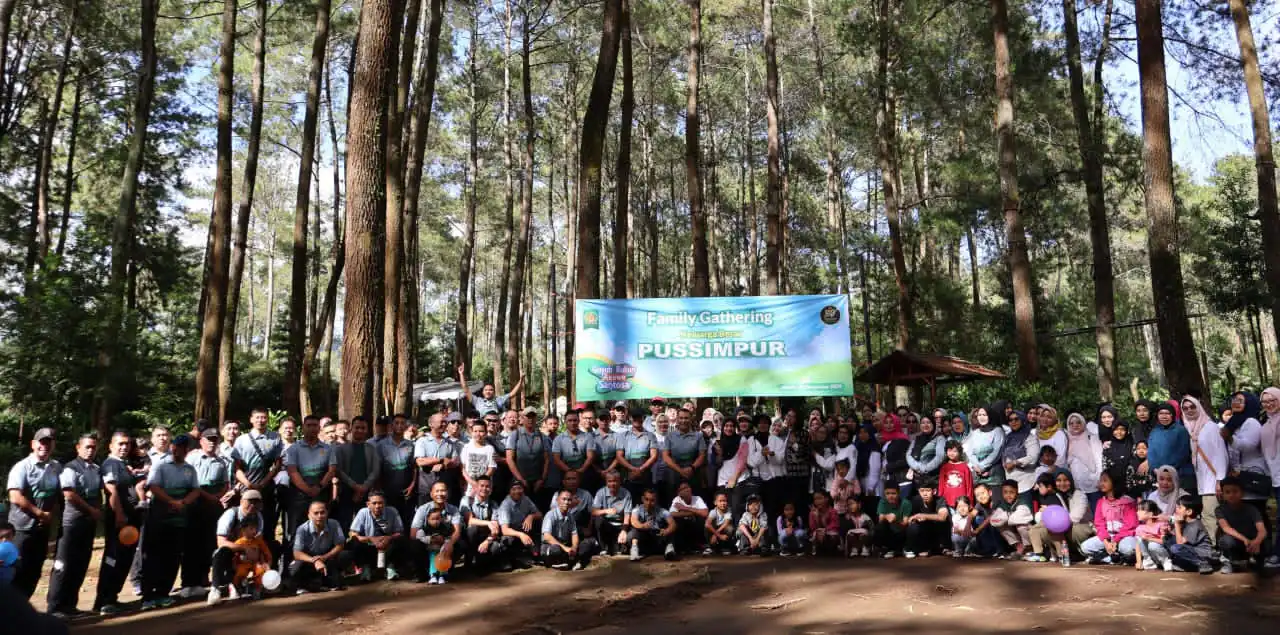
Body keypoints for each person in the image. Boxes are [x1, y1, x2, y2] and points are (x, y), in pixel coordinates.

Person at [140, 434, 200, 610]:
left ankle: (163, 593)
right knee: (153, 556)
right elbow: (153, 487)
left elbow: (195, 489)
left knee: (172, 557)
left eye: (180, 447)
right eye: (174, 446)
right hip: (159, 518)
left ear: (186, 450)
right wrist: (171, 502)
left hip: (179, 520)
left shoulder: (190, 469)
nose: (175, 450)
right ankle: (147, 596)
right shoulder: (160, 465)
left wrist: (183, 503)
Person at [45, 434, 101, 618]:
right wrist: (91, 510)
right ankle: (54, 606)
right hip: (71, 523)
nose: (90, 450)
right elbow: (69, 493)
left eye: (93, 447)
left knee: (80, 563)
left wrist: (96, 511)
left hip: (88, 524)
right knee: (63, 564)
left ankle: (70, 605)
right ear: (78, 447)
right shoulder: (70, 468)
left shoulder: (95, 469)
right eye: (87, 446)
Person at [5, 427, 61, 599]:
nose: (45, 445)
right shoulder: (22, 467)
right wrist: (40, 513)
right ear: (33, 444)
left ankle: (22, 613)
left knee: (34, 571)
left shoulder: (56, 467)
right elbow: (15, 496)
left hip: (42, 529)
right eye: (41, 442)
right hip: (22, 529)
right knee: (17, 571)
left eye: (49, 442)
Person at [94, 431, 144, 615]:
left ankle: (112, 597)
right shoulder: (110, 464)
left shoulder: (124, 464)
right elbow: (111, 491)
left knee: (124, 559)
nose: (124, 447)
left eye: (127, 444)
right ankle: (104, 600)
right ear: (111, 446)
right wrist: (120, 515)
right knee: (113, 559)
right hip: (118, 520)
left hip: (130, 520)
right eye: (120, 444)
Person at [182, 428, 234, 598]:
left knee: (210, 543)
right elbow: (191, 483)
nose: (212, 442)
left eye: (214, 439)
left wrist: (217, 496)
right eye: (208, 439)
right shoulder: (192, 458)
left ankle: (205, 579)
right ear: (201, 441)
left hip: (214, 504)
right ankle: (189, 583)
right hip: (195, 502)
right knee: (192, 544)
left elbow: (226, 483)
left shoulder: (221, 461)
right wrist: (207, 495)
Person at [207, 489, 268, 605]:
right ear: (241, 501)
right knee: (221, 552)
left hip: (250, 551)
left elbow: (259, 539)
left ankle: (258, 585)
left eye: (256, 502)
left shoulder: (259, 517)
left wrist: (257, 553)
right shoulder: (231, 514)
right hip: (231, 551)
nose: (253, 505)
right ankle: (215, 588)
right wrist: (243, 548)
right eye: (250, 501)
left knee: (271, 547)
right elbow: (221, 542)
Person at [284, 415, 335, 548]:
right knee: (296, 530)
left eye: (315, 425)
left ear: (319, 428)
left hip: (321, 494)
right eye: (309, 425)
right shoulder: (293, 449)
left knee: (322, 529)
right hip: (299, 496)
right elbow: (292, 471)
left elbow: (332, 470)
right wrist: (307, 489)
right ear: (303, 428)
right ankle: (295, 562)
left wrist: (319, 486)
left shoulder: (328, 449)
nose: (312, 428)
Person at [1221, 392, 1270, 528]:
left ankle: (1263, 546)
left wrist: (1230, 438)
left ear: (1249, 403)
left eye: (1240, 400)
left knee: (1257, 515)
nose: (1235, 402)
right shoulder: (1234, 422)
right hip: (1238, 477)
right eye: (1234, 400)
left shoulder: (1251, 422)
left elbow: (1249, 446)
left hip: (1252, 475)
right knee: (1245, 518)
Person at [1182, 395, 1226, 544]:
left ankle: (1213, 549)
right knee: (1210, 515)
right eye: (1185, 408)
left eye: (1192, 407)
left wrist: (1220, 480)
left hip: (1213, 482)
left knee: (1210, 516)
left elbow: (1221, 454)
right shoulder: (1192, 430)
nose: (1189, 410)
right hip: (1203, 481)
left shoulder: (1210, 427)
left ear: (1199, 407)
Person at [1027, 470, 1092, 567]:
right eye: (1058, 480)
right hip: (1064, 527)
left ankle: (1082, 552)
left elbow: (1075, 518)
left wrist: (1052, 512)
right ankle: (1060, 554)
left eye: (1066, 480)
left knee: (1071, 530)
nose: (1062, 483)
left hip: (1080, 527)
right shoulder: (1056, 495)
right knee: (1043, 531)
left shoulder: (1078, 495)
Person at [290, 500, 350, 593]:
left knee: (345, 555)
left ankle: (331, 578)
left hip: (327, 558)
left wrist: (324, 558)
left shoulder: (334, 524)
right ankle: (306, 584)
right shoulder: (302, 529)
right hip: (309, 561)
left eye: (322, 512)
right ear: (309, 515)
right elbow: (297, 553)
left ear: (327, 513)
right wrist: (315, 561)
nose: (319, 516)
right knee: (294, 569)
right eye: (316, 513)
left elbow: (340, 545)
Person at [333, 417, 381, 532]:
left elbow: (376, 470)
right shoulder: (341, 449)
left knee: (366, 524)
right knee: (344, 522)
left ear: (367, 430)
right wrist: (354, 486)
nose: (360, 430)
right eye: (357, 427)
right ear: (351, 429)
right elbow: (339, 470)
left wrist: (364, 487)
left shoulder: (372, 449)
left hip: (366, 492)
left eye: (363, 428)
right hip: (346, 491)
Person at [410, 481, 463, 583]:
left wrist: (449, 543)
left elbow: (457, 532)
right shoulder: (422, 509)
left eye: (443, 491)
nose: (440, 494)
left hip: (446, 543)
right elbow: (413, 534)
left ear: (447, 493)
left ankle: (445, 571)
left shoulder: (454, 510)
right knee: (414, 544)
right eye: (437, 491)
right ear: (431, 494)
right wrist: (431, 540)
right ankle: (421, 572)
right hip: (427, 544)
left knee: (461, 544)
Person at [348, 490, 406, 581]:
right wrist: (370, 539)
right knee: (354, 541)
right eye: (374, 503)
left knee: (401, 540)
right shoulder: (363, 512)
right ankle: (365, 568)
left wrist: (389, 538)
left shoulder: (392, 511)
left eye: (380, 503)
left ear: (385, 503)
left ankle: (391, 567)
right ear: (368, 504)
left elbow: (400, 532)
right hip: (370, 546)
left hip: (387, 546)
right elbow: (353, 533)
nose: (377, 506)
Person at [1081, 471, 1138, 565]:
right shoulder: (1101, 502)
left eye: (1105, 481)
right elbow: (1099, 524)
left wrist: (1116, 540)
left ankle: (1111, 557)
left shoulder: (1127, 502)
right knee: (1085, 547)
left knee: (1128, 549)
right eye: (1100, 481)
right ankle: (1114, 557)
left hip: (1124, 537)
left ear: (1114, 482)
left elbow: (1130, 525)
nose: (1101, 483)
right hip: (1108, 538)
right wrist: (1106, 541)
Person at [1215, 476, 1270, 573]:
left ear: (1242, 493)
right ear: (1223, 495)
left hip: (1251, 544)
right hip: (1237, 542)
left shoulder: (1251, 509)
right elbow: (1226, 528)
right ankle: (1228, 561)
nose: (1232, 495)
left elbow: (1262, 530)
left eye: (1235, 491)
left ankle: (1256, 560)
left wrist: (1256, 541)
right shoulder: (1220, 510)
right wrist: (1244, 539)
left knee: (1264, 539)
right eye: (1227, 492)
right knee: (1226, 540)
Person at [541, 489, 601, 571]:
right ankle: (559, 563)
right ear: (557, 500)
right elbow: (547, 536)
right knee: (556, 549)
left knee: (588, 542)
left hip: (566, 547)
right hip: (551, 546)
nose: (566, 502)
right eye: (564, 499)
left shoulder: (570, 516)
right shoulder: (550, 515)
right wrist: (565, 548)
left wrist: (574, 548)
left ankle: (572, 562)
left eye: (569, 500)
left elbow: (574, 534)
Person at [1146, 402, 1194, 494]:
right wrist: (1155, 468)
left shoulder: (1181, 431)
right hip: (1159, 476)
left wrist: (1167, 470)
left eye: (1167, 413)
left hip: (1179, 474)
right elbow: (1151, 452)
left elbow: (1183, 453)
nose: (1164, 416)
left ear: (1172, 415)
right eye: (1161, 413)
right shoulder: (1154, 432)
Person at [415, 412, 462, 507]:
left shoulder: (449, 443)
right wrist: (440, 460)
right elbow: (420, 461)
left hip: (444, 490)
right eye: (442, 422)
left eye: (445, 422)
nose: (444, 424)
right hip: (426, 489)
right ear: (431, 424)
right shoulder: (422, 441)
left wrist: (445, 464)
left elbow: (456, 461)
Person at [459, 475, 504, 571]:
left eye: (487, 486)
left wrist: (487, 542)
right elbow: (470, 520)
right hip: (468, 538)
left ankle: (481, 561)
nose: (484, 488)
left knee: (495, 547)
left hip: (485, 538)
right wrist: (488, 523)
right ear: (475, 487)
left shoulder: (494, 504)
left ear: (491, 489)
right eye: (482, 485)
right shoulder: (466, 500)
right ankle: (469, 559)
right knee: (473, 528)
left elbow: (495, 529)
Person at [378, 414, 416, 525]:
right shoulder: (381, 445)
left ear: (406, 426)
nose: (399, 426)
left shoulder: (411, 445)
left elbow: (414, 467)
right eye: (397, 423)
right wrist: (379, 488)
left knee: (406, 519)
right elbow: (378, 468)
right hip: (387, 490)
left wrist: (412, 485)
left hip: (406, 490)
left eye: (402, 423)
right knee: (389, 520)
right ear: (391, 426)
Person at [616, 408, 660, 503]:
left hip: (646, 476)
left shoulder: (650, 435)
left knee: (647, 504)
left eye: (639, 417)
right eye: (634, 417)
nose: (637, 420)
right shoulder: (623, 436)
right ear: (630, 418)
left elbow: (654, 456)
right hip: (628, 476)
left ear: (643, 418)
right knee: (629, 504)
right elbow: (619, 456)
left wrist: (640, 470)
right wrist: (632, 469)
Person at [497, 480, 542, 568]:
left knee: (537, 522)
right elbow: (504, 530)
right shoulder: (505, 505)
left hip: (523, 529)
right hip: (511, 533)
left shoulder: (525, 499)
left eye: (519, 488)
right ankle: (508, 560)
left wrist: (531, 516)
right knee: (507, 539)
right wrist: (521, 535)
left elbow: (540, 514)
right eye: (514, 489)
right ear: (509, 491)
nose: (517, 491)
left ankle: (536, 553)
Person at [1064, 413, 1104, 510]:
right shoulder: (1067, 440)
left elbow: (1099, 460)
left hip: (1093, 483)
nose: (1075, 425)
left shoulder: (1092, 437)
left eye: (1078, 422)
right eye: (1071, 423)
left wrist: (1100, 479)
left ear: (1083, 423)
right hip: (1076, 486)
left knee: (1096, 513)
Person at [552, 410, 598, 494]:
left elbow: (591, 456)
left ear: (578, 421)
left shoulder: (588, 437)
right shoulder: (558, 439)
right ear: (565, 422)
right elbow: (556, 459)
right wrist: (570, 472)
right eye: (570, 420)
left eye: (575, 420)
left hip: (584, 475)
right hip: (566, 476)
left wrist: (581, 470)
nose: (572, 423)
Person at [1168, 495, 1214, 573]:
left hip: (1204, 554)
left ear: (1189, 511)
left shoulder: (1195, 524)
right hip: (1193, 551)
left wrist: (1176, 524)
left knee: (1176, 548)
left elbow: (1180, 543)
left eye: (1179, 507)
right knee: (1168, 540)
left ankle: (1203, 564)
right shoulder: (1186, 522)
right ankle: (1191, 565)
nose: (1176, 510)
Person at [628, 488, 677, 561]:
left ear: (656, 500)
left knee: (670, 530)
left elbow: (673, 524)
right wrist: (642, 526)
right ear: (642, 499)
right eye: (646, 499)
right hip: (643, 539)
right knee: (634, 531)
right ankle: (634, 551)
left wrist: (667, 531)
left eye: (652, 500)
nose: (649, 503)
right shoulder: (637, 510)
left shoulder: (663, 511)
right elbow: (633, 521)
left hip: (657, 538)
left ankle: (669, 551)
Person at [1000, 409, 1039, 500]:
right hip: (1011, 483)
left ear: (1022, 419)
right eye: (1010, 420)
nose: (1013, 422)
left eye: (1016, 419)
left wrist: (1014, 463)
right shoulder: (1008, 437)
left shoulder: (1029, 437)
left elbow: (1033, 457)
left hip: (1026, 482)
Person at [964, 406, 1006, 490]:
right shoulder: (974, 433)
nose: (981, 417)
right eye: (979, 415)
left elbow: (996, 452)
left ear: (990, 415)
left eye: (984, 415)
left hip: (994, 475)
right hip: (977, 474)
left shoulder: (998, 431)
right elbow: (969, 452)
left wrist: (983, 467)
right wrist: (976, 466)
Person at [1260, 387, 1280, 566]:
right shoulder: (1265, 426)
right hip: (1275, 477)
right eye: (1265, 401)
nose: (1269, 404)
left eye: (1272, 400)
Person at [904, 481, 950, 558]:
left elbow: (943, 516)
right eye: (922, 491)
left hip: (935, 531)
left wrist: (923, 516)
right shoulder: (913, 501)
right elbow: (907, 519)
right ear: (918, 491)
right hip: (922, 531)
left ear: (934, 491)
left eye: (928, 491)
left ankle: (944, 546)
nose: (925, 494)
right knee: (913, 527)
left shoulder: (940, 500)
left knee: (944, 522)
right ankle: (910, 548)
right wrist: (913, 519)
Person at [591, 471, 633, 555]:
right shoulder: (601, 492)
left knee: (620, 551)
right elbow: (593, 512)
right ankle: (603, 547)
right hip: (606, 525)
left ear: (620, 481)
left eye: (615, 481)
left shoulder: (626, 494)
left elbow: (627, 514)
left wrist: (624, 530)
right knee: (598, 520)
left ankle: (617, 545)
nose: (612, 484)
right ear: (606, 482)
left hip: (620, 525)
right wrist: (606, 511)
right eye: (609, 481)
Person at [459, 364, 524, 416]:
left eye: (491, 390)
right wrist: (461, 374)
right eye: (486, 390)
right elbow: (466, 390)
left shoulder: (498, 400)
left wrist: (521, 379)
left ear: (494, 392)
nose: (488, 392)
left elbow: (513, 393)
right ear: (483, 392)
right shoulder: (477, 401)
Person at [993, 480, 1033, 558]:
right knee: (1000, 526)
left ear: (1017, 492)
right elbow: (993, 521)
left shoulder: (1022, 501)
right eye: (1005, 492)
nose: (1008, 495)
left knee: (1021, 526)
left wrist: (1004, 517)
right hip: (1017, 533)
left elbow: (1015, 519)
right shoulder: (1003, 504)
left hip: (1031, 533)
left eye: (1011, 492)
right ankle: (1020, 548)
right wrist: (1005, 517)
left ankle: (1029, 549)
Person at [458, 419, 496, 498]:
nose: (478, 434)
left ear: (485, 433)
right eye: (475, 431)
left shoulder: (489, 448)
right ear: (471, 432)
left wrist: (480, 483)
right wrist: (472, 482)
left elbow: (491, 469)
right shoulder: (466, 447)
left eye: (481, 431)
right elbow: (463, 468)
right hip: (469, 487)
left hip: (484, 488)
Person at [667, 481, 707, 554]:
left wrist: (685, 508)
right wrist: (692, 513)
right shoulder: (677, 499)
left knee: (702, 520)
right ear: (679, 493)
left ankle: (699, 544)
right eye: (684, 488)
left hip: (696, 527)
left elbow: (705, 513)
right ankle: (682, 547)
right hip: (684, 527)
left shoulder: (697, 498)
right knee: (677, 521)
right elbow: (671, 514)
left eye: (688, 487)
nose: (688, 489)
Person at [907, 415, 946, 489]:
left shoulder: (939, 438)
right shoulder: (917, 439)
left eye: (928, 422)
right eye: (923, 423)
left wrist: (925, 469)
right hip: (917, 478)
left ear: (933, 424)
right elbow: (908, 455)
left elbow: (939, 457)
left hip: (933, 478)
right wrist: (916, 467)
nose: (925, 425)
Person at [879, 414, 913, 500]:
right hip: (889, 479)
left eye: (891, 422)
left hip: (901, 480)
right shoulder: (884, 439)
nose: (889, 425)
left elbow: (907, 460)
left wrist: (888, 467)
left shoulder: (902, 439)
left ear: (897, 423)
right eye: (886, 423)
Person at [873, 483, 911, 558]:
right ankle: (885, 549)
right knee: (879, 527)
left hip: (901, 532)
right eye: (887, 493)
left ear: (898, 493)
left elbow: (905, 523)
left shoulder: (906, 503)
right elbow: (880, 519)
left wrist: (896, 520)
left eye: (893, 493)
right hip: (889, 532)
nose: (890, 496)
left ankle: (903, 549)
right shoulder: (882, 502)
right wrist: (887, 516)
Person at [1133, 500, 1171, 571]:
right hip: (1152, 556)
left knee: (1153, 545)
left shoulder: (1162, 525)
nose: (1137, 512)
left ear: (1150, 514)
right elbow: (1138, 546)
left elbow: (1165, 542)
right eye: (1137, 510)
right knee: (1140, 538)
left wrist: (1149, 539)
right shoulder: (1140, 528)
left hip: (1162, 552)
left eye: (1141, 510)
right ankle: (1149, 562)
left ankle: (1165, 561)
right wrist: (1139, 562)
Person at [853, 424, 882, 514]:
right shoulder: (858, 446)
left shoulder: (874, 447)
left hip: (872, 485)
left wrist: (871, 487)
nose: (862, 435)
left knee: (873, 508)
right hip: (862, 482)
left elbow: (875, 468)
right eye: (860, 433)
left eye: (865, 432)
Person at [938, 441, 972, 508]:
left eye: (954, 451)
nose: (952, 453)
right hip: (947, 502)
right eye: (949, 451)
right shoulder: (944, 467)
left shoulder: (964, 467)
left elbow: (969, 486)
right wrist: (940, 501)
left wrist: (970, 502)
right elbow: (941, 486)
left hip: (962, 503)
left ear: (959, 452)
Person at [808, 490, 840, 556]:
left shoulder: (832, 511)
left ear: (826, 499)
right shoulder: (812, 513)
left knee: (833, 535)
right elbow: (812, 527)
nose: (817, 501)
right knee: (815, 534)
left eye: (820, 498)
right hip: (818, 535)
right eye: (815, 499)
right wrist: (816, 518)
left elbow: (835, 525)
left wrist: (825, 530)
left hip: (829, 535)